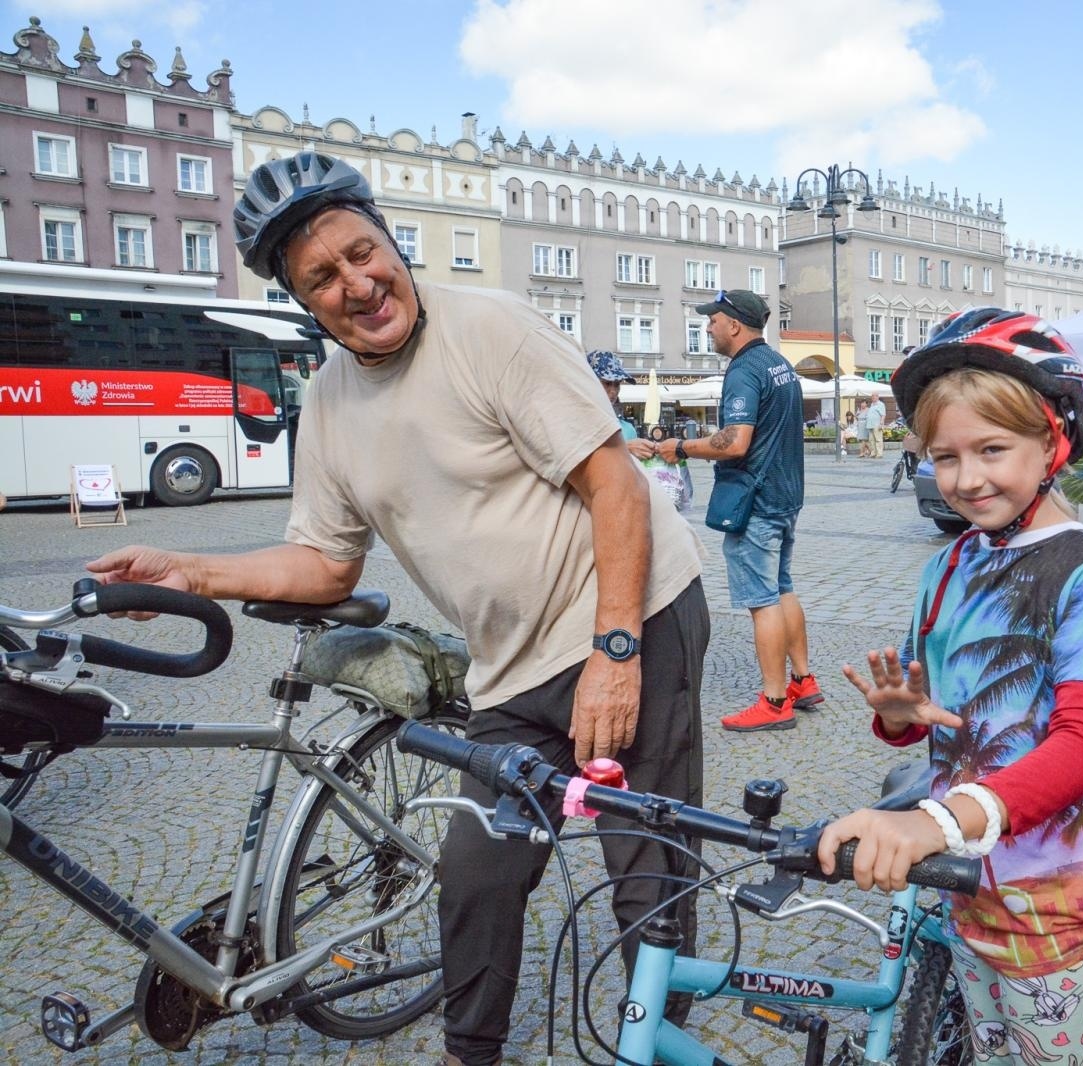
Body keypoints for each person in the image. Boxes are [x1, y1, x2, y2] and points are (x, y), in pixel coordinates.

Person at [86, 152, 710, 1066]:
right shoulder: (331, 401)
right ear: (305, 304)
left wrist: (616, 651)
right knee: (475, 876)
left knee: (641, 866)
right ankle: (471, 1053)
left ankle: (655, 1042)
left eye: (363, 251)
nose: (358, 283)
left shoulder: (490, 327)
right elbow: (326, 564)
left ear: (389, 240)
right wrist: (193, 570)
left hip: (630, 614)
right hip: (508, 664)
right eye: (324, 278)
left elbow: (614, 483)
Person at [818, 309, 1083, 1065]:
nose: (966, 479)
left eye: (992, 450)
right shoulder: (951, 563)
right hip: (967, 870)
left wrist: (930, 824)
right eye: (944, 457)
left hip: (1056, 895)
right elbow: (933, 707)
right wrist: (901, 719)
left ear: (1053, 441)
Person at [649, 289, 824, 731]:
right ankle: (803, 680)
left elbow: (737, 441)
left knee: (762, 601)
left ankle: (773, 701)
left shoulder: (744, 370)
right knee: (783, 588)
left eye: (713, 320)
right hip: (785, 497)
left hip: (755, 502)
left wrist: (682, 446)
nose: (708, 327)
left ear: (734, 325)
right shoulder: (779, 365)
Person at [586, 349, 638, 441]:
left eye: (617, 384)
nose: (613, 391)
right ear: (590, 382)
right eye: (607, 383)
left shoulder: (628, 430)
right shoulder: (576, 423)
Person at [865, 391, 887, 458]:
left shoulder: (881, 404)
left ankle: (879, 454)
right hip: (870, 425)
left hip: (877, 424)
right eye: (872, 396)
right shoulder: (872, 404)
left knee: (878, 439)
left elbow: (883, 415)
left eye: (874, 396)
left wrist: (881, 423)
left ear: (877, 397)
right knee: (871, 440)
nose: (873, 397)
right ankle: (873, 453)